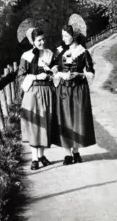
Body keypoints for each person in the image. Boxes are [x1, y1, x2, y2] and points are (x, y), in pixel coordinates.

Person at [52, 24, 97, 165]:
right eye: (62, 35)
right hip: (63, 89)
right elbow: (53, 69)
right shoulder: (59, 52)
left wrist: (79, 74)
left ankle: (76, 152)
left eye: (66, 35)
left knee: (77, 119)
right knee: (64, 119)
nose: (63, 38)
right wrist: (60, 74)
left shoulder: (83, 52)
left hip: (78, 89)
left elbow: (91, 72)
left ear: (74, 36)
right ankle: (67, 154)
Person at [18, 28, 56, 170]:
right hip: (32, 93)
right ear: (32, 41)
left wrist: (50, 73)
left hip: (47, 92)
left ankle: (41, 155)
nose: (42, 42)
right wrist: (35, 77)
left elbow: (56, 73)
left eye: (43, 39)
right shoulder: (26, 56)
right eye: (39, 40)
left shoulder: (49, 54)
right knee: (34, 124)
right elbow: (21, 77)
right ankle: (34, 158)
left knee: (45, 123)